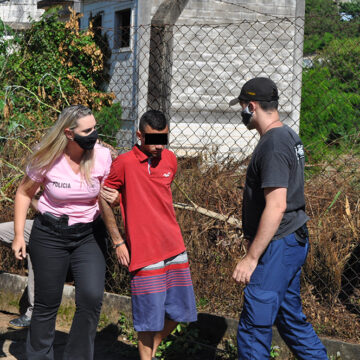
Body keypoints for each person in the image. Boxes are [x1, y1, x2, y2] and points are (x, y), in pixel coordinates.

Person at [230, 78, 328, 359]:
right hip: (291, 241)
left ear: (252, 106)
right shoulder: (288, 136)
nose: (242, 114)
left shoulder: (272, 145)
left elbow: (276, 206)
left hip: (278, 244)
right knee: (288, 318)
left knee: (253, 326)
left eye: (242, 107)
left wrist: (251, 258)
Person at [12, 104, 117, 360]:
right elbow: (24, 193)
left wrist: (115, 198)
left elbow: (107, 197)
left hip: (88, 234)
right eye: (88, 130)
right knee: (47, 303)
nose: (94, 134)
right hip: (50, 234)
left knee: (91, 298)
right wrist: (17, 235)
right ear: (69, 133)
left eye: (95, 128)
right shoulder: (47, 156)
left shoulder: (102, 156)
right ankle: (39, 355)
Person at [100, 109, 197, 360]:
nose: (158, 146)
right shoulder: (123, 163)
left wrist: (121, 198)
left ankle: (149, 352)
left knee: (181, 313)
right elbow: (103, 197)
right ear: (139, 135)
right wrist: (118, 241)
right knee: (148, 321)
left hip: (175, 247)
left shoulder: (170, 160)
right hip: (144, 254)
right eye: (152, 139)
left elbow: (153, 196)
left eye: (163, 138)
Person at [0, 220, 34, 328]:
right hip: (42, 224)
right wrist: (19, 235)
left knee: (38, 251)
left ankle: (34, 313)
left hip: (70, 229)